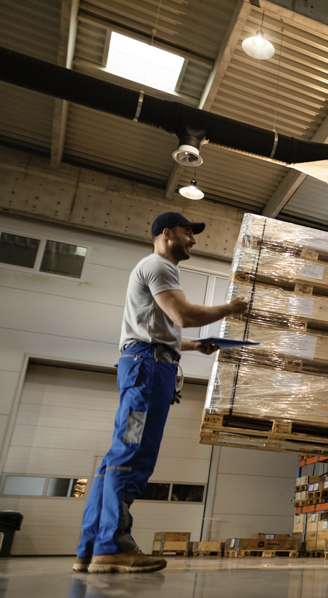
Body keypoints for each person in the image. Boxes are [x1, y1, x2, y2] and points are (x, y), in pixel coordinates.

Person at [74, 212, 250, 574]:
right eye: (189, 233)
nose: (194, 240)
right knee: (132, 454)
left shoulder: (151, 269)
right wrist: (229, 309)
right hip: (148, 372)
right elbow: (182, 314)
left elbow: (158, 328)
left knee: (115, 459)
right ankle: (113, 546)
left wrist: (193, 346)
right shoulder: (160, 266)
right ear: (166, 234)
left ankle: (91, 548)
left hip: (146, 364)